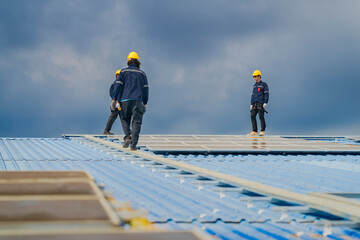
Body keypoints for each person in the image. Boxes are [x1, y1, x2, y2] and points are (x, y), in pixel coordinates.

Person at [113, 51, 149, 151]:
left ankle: (127, 136)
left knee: (124, 118)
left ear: (128, 61)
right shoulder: (142, 74)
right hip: (138, 101)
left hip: (124, 100)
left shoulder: (123, 72)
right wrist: (145, 102)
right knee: (136, 122)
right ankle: (133, 145)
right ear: (137, 61)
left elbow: (117, 85)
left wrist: (114, 99)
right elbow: (146, 89)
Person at [248, 70, 269, 136]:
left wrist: (265, 102)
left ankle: (262, 130)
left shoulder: (264, 84)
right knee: (252, 115)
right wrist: (251, 103)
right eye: (253, 76)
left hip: (261, 103)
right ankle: (254, 131)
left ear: (259, 76)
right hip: (254, 103)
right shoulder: (254, 86)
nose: (254, 78)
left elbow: (266, 94)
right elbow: (252, 95)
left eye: (255, 76)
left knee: (261, 116)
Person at [103, 70, 122, 135]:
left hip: (121, 103)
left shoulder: (120, 84)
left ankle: (129, 132)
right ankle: (106, 130)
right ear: (116, 75)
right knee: (113, 116)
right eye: (118, 75)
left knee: (123, 117)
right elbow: (112, 93)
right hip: (116, 103)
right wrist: (116, 101)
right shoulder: (115, 84)